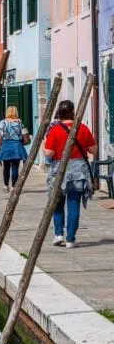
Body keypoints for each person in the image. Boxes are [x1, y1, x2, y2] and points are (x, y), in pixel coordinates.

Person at [43, 100, 97, 249]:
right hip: (79, 170)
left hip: (59, 170)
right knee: (74, 205)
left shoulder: (55, 130)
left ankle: (59, 234)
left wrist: (44, 145)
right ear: (73, 112)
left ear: (59, 113)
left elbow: (49, 153)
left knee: (57, 203)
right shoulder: (83, 128)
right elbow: (94, 150)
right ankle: (70, 239)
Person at [0, 106, 29, 191]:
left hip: (6, 145)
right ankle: (14, 186)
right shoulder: (19, 122)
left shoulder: (2, 123)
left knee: (6, 167)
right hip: (17, 146)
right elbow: (24, 133)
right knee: (15, 167)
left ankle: (5, 185)